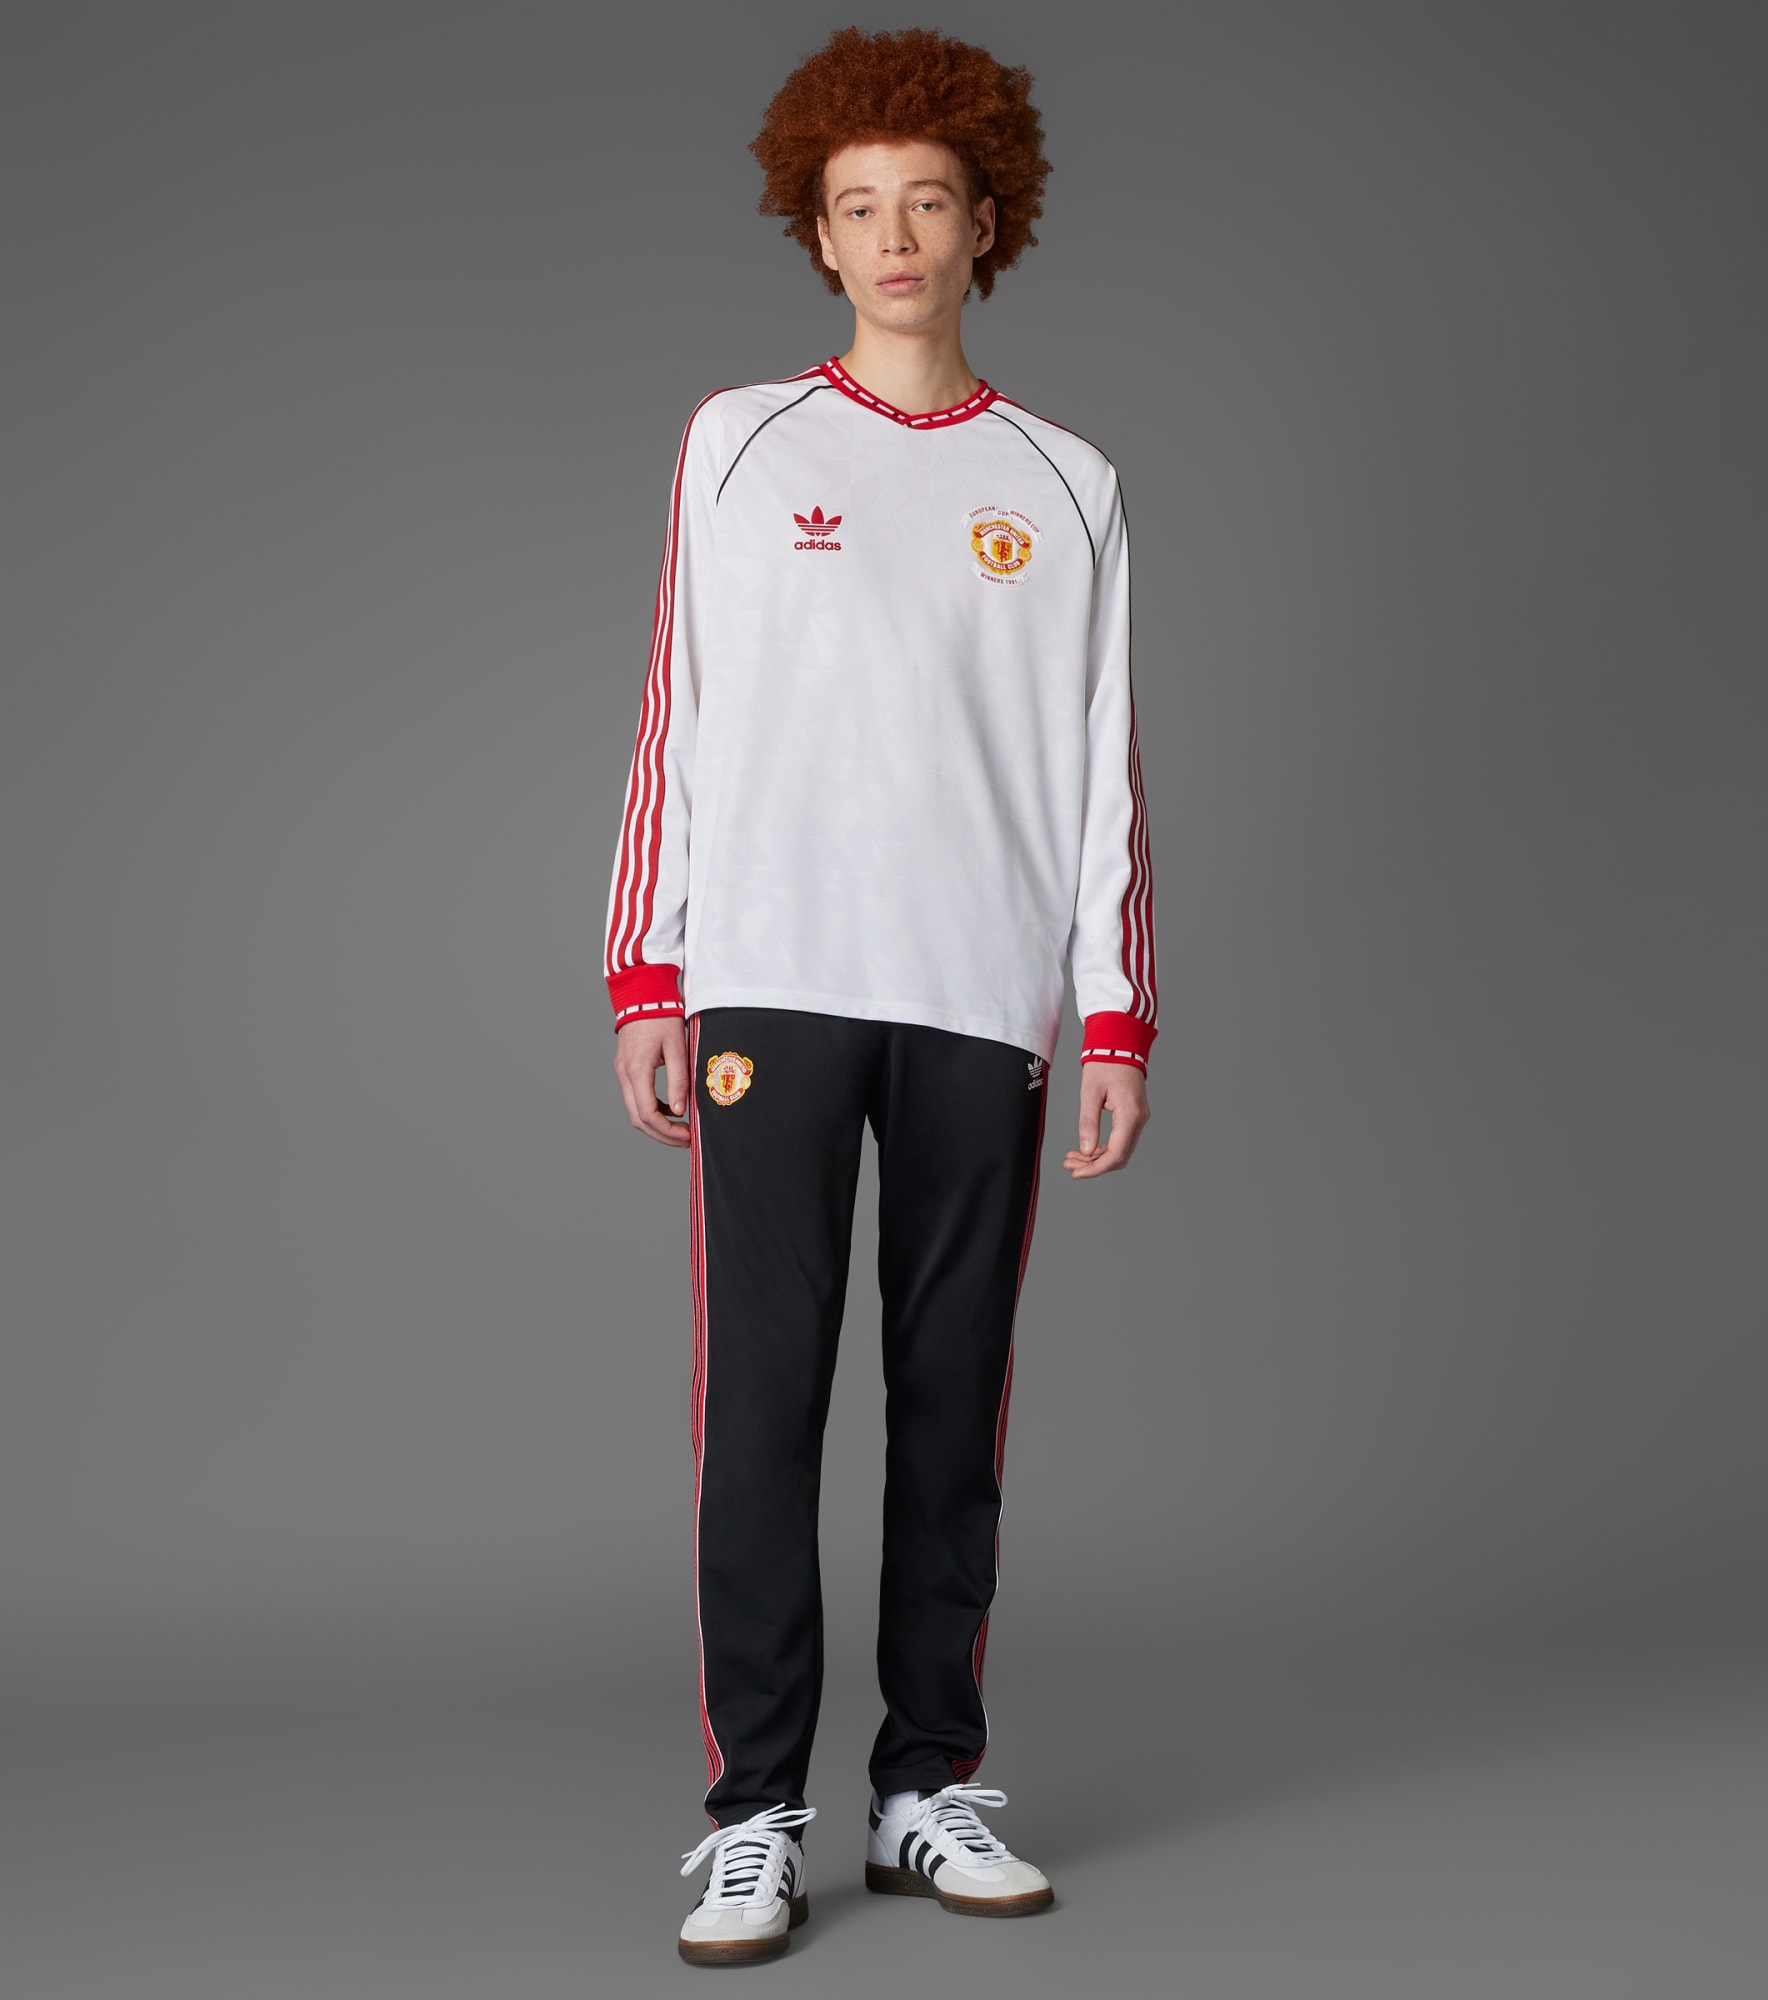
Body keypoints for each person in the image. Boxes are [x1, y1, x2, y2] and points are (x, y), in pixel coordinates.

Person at [602, 26, 1158, 1967]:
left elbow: (1102, 768)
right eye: (859, 207)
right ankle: (754, 1814)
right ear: (817, 234)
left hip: (978, 993)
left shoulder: (1068, 483)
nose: (896, 235)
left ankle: (927, 1788)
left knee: (950, 1405)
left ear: (988, 222)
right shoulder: (740, 442)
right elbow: (677, 713)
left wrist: (1110, 1011)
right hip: (771, 975)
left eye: (930, 200)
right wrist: (649, 967)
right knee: (762, 1403)